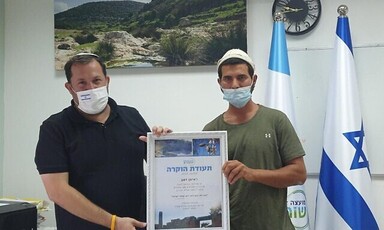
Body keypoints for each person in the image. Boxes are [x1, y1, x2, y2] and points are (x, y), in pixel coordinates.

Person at [34, 53, 170, 230]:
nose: (91, 87)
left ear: (107, 81)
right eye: (82, 83)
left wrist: (168, 144)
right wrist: (113, 222)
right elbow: (57, 191)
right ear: (69, 87)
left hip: (136, 225)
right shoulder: (54, 128)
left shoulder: (131, 116)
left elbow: (160, 168)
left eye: (96, 80)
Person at [203, 49, 307, 230]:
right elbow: (200, 181)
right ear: (219, 83)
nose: (235, 85)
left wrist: (251, 174)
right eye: (228, 79)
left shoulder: (276, 120)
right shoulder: (211, 131)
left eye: (241, 77)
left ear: (254, 80)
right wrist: (164, 141)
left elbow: (299, 174)